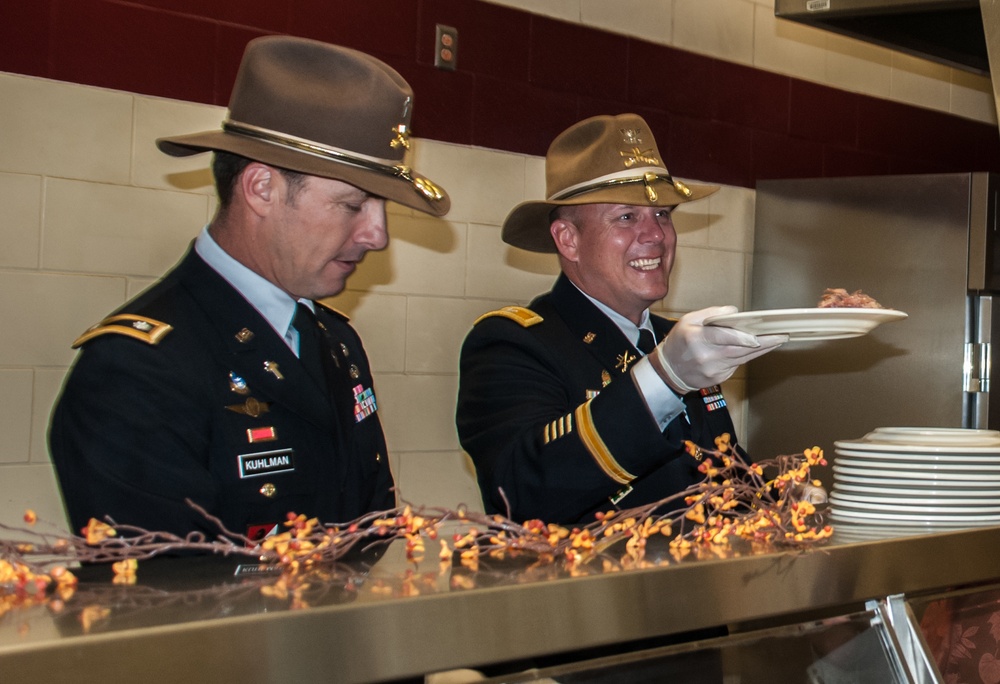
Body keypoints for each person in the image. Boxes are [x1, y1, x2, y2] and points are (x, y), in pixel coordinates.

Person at [48, 36, 450, 541]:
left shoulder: (334, 341)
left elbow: (370, 532)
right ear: (262, 188)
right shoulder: (137, 368)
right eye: (354, 204)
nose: (378, 235)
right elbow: (166, 595)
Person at [456, 113, 784, 525]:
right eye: (627, 217)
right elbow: (523, 491)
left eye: (663, 214)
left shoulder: (671, 340)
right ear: (568, 240)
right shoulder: (512, 344)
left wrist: (781, 501)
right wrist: (663, 377)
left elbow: (714, 476)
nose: (656, 235)